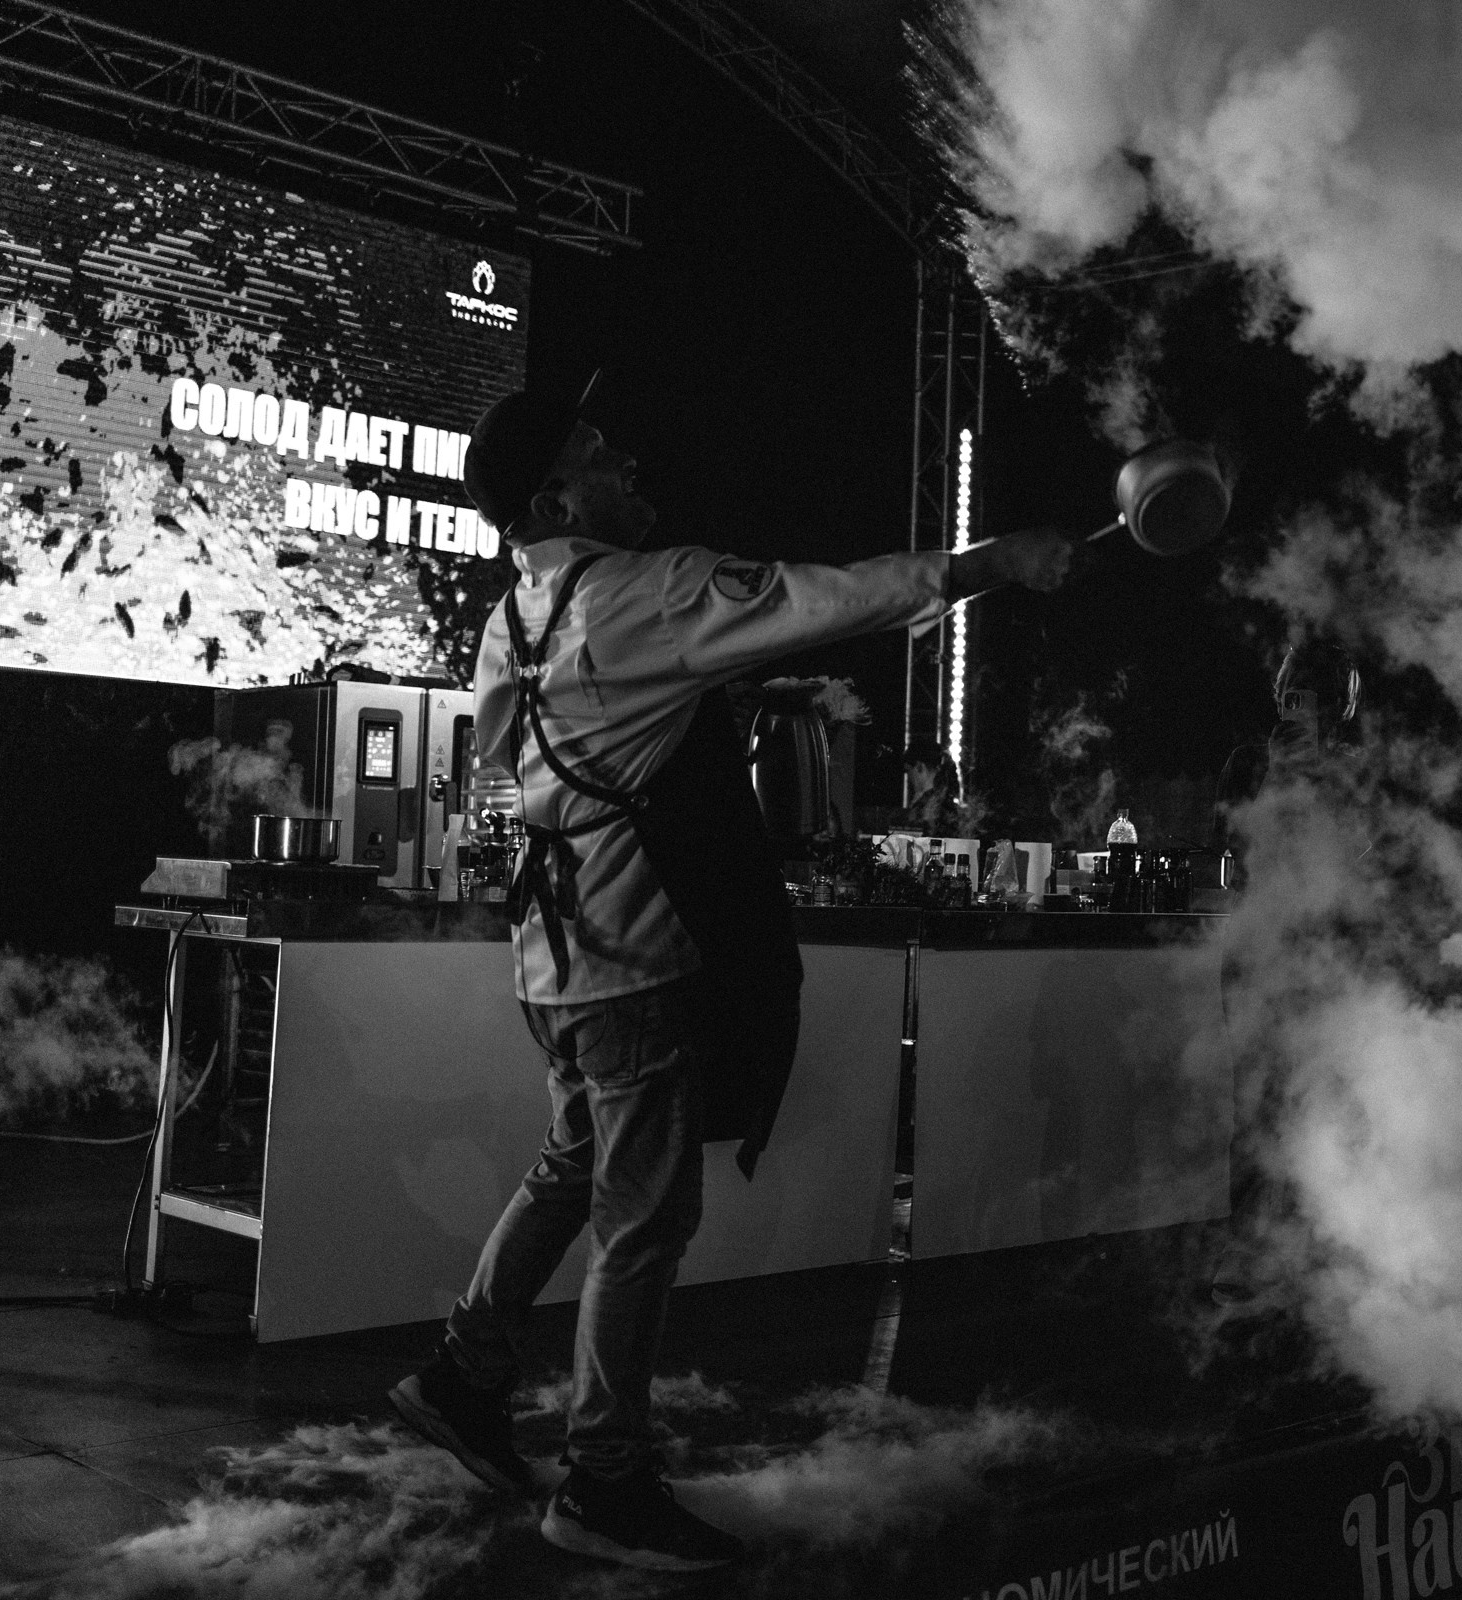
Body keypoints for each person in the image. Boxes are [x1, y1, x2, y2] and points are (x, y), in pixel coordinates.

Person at [385, 380, 1072, 1572]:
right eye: (605, 453)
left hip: (549, 962)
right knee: (643, 1223)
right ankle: (605, 1479)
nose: (631, 459)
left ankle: (462, 1371)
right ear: (557, 495)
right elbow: (827, 598)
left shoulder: (513, 618)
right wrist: (994, 561)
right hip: (634, 962)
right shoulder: (650, 592)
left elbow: (506, 745)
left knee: (572, 1164)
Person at [898, 740, 961, 834]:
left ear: (919, 766)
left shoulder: (928, 805)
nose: (909, 778)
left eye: (909, 771)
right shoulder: (946, 799)